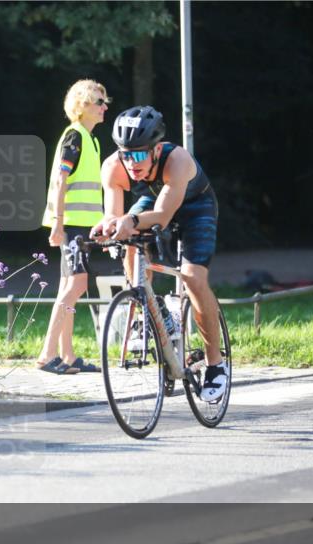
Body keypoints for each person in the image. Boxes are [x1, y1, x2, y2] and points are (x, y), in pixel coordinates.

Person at [90, 105, 228, 401]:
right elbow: (114, 217)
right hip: (151, 201)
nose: (132, 162)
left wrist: (130, 221)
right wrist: (107, 227)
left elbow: (164, 216)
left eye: (139, 154)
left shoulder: (176, 159)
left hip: (194, 207)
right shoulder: (113, 167)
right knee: (128, 244)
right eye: (126, 154)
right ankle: (154, 310)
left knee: (192, 278)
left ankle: (216, 364)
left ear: (155, 149)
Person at [35, 79, 110, 375]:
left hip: (82, 225)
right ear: (83, 106)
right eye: (99, 102)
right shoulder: (75, 136)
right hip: (72, 226)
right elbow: (60, 179)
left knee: (70, 286)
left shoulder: (91, 139)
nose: (105, 107)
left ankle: (67, 355)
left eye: (105, 102)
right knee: (76, 285)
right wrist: (58, 224)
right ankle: (47, 354)